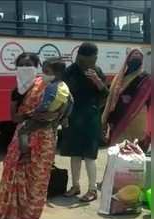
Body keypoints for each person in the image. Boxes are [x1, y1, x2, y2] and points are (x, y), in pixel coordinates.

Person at [0, 53, 66, 219]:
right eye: (21, 65)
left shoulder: (50, 87)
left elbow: (59, 113)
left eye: (29, 65)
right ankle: (9, 213)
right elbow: (14, 118)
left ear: (37, 67)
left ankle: (30, 216)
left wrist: (47, 117)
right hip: (22, 136)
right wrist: (32, 115)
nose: (25, 68)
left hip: (45, 138)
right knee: (13, 171)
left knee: (37, 177)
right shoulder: (16, 91)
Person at [61, 43, 109, 202]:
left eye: (95, 57)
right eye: (92, 57)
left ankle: (92, 189)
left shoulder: (97, 71)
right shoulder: (70, 72)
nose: (94, 60)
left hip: (90, 117)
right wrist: (64, 116)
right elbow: (63, 94)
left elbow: (105, 94)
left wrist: (97, 80)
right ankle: (75, 186)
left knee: (89, 155)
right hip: (73, 116)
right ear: (81, 57)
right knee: (74, 153)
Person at [18, 57, 72, 162]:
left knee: (23, 131)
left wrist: (35, 113)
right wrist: (64, 117)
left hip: (43, 126)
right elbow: (70, 102)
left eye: (46, 72)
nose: (43, 74)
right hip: (49, 125)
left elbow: (46, 104)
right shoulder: (63, 86)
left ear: (57, 73)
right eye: (42, 71)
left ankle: (25, 154)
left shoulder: (51, 88)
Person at [101, 48, 151, 151]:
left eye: (139, 56)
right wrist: (107, 119)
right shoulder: (118, 78)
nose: (136, 58)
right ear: (127, 59)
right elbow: (110, 99)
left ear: (142, 61)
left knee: (135, 154)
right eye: (133, 56)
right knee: (118, 151)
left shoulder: (146, 79)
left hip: (138, 120)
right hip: (118, 119)